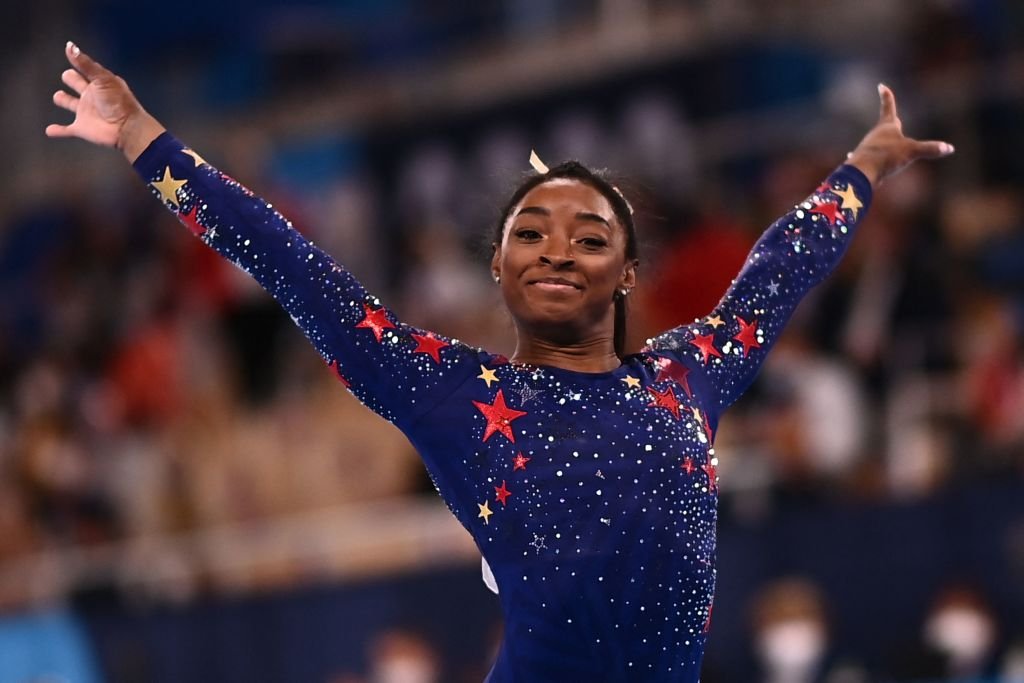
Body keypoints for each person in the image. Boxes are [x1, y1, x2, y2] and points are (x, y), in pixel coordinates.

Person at [46, 41, 954, 682]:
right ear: (497, 264)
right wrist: (141, 139)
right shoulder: (449, 389)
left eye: (589, 233)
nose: (558, 248)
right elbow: (291, 265)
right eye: (532, 230)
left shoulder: (689, 375)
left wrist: (862, 169)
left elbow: (779, 271)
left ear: (629, 270)